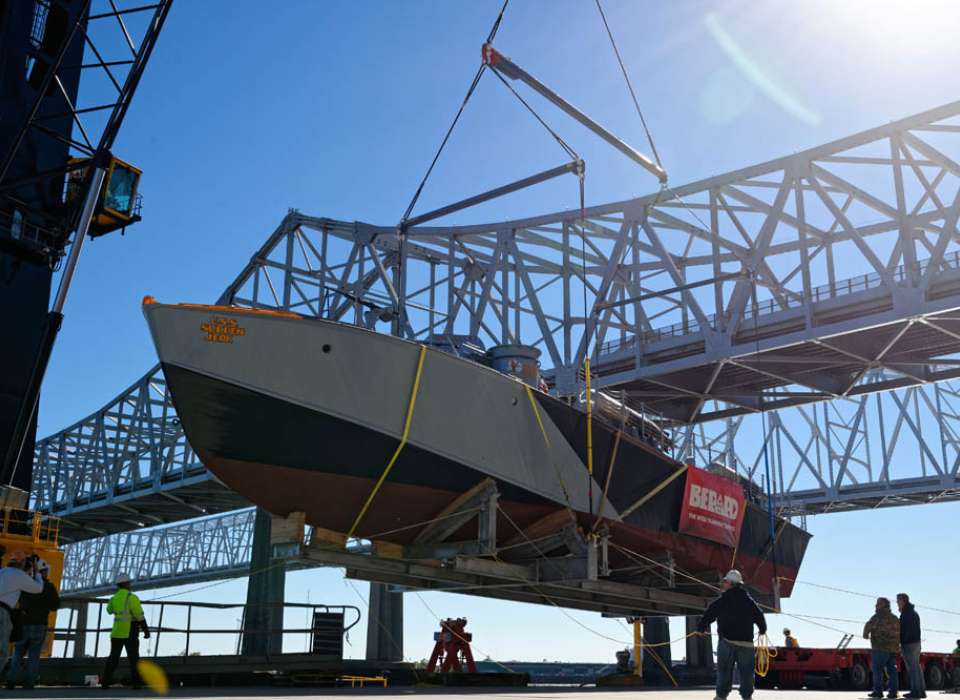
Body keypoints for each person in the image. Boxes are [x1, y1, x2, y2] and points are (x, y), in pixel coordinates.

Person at [697, 569, 767, 700]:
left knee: (724, 673)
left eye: (725, 581)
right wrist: (762, 629)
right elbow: (759, 616)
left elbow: (710, 613)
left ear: (730, 583)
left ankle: (721, 697)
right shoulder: (748, 600)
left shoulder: (723, 600)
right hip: (746, 644)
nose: (723, 584)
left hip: (727, 643)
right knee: (747, 674)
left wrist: (701, 628)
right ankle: (747, 697)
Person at [6, 559, 60, 689]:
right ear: (44, 572)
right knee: (34, 654)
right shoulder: (49, 587)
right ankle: (29, 682)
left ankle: (11, 680)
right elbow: (55, 606)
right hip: (40, 624)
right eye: (47, 571)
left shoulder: (26, 584)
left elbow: (17, 601)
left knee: (18, 652)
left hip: (24, 623)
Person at [101, 573, 150, 688]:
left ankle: (105, 682)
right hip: (130, 631)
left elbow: (109, 610)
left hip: (117, 632)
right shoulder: (132, 597)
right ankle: (136, 684)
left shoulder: (113, 598)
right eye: (129, 582)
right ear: (126, 583)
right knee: (134, 659)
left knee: (113, 658)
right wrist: (146, 630)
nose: (130, 584)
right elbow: (139, 615)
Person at [0, 556, 43, 679]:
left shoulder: (2, 571)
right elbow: (38, 588)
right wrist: (37, 571)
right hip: (2, 611)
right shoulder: (19, 575)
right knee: (2, 651)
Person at [864, 596, 900, 699]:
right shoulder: (894, 618)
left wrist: (865, 635)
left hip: (880, 647)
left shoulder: (877, 616)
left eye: (878, 603)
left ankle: (878, 691)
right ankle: (893, 692)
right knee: (892, 671)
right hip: (893, 649)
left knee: (877, 670)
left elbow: (868, 626)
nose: (876, 605)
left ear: (884, 605)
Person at [897, 593, 925, 699]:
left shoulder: (906, 613)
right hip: (916, 643)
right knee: (916, 668)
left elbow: (904, 630)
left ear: (903, 601)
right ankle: (921, 691)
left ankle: (916, 692)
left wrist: (901, 642)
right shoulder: (912, 612)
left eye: (898, 601)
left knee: (912, 669)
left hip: (909, 643)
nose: (897, 603)